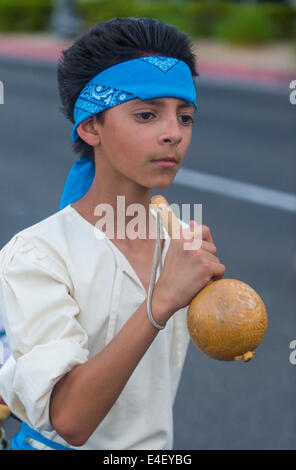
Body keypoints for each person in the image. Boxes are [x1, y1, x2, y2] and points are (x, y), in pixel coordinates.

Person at [0, 17, 225, 450]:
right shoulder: (35, 256)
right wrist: (161, 302)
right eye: (146, 114)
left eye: (185, 117)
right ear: (90, 127)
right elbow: (70, 420)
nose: (173, 134)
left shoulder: (176, 235)